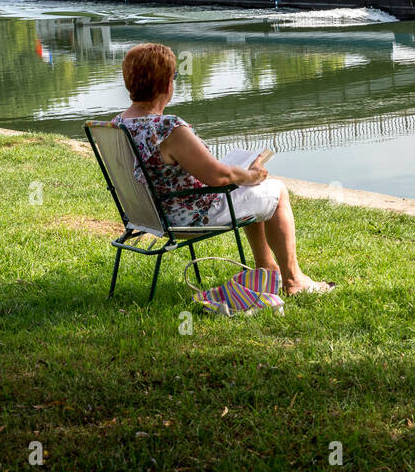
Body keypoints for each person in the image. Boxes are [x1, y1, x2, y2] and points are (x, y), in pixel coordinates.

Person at [111, 43, 333, 295]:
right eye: (174, 76)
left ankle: (268, 267)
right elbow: (218, 176)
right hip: (189, 216)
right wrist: (252, 175)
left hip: (148, 213)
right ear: (166, 84)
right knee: (277, 191)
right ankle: (293, 280)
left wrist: (243, 179)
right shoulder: (168, 129)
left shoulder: (118, 124)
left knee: (250, 190)